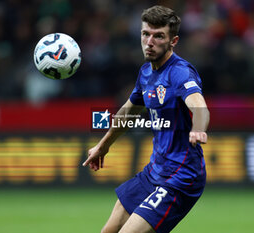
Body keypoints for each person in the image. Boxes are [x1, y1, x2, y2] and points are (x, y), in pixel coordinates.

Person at [83, 5, 209, 233]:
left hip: (180, 177)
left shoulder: (180, 72)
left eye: (158, 36)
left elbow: (199, 106)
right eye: (145, 34)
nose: (149, 41)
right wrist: (103, 146)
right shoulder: (146, 72)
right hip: (154, 171)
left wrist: (198, 128)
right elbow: (128, 112)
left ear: (173, 41)